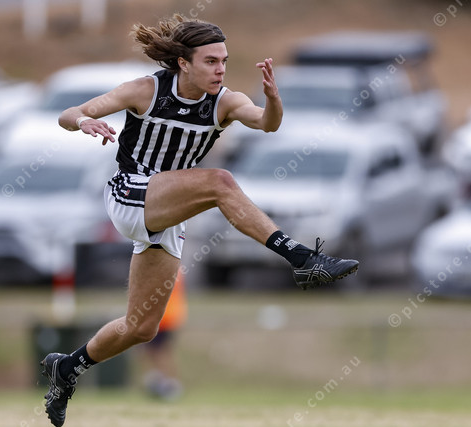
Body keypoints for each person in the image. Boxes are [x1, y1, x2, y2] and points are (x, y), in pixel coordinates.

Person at [40, 14, 358, 427]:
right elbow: (70, 113)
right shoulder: (146, 89)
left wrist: (273, 99)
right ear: (183, 63)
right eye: (210, 61)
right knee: (220, 182)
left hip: (167, 212)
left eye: (224, 61)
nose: (220, 69)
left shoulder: (225, 101)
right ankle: (301, 258)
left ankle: (67, 368)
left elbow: (267, 124)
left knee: (141, 327)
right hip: (129, 193)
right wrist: (84, 121)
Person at [140, 269, 186, 400]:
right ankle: (162, 381)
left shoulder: (167, 268)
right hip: (164, 316)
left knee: (161, 351)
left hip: (163, 317)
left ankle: (169, 384)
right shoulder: (172, 267)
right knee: (156, 351)